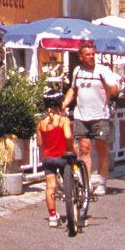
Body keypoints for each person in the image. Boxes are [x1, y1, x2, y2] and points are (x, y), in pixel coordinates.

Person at [61, 41, 119, 196]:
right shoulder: (77, 71)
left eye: (93, 54)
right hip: (82, 116)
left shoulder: (103, 70)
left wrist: (112, 88)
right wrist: (64, 104)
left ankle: (102, 182)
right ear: (80, 57)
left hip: (100, 116)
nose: (91, 57)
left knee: (102, 150)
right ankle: (86, 183)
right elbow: (73, 90)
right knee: (84, 149)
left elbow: (115, 89)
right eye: (88, 54)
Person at [38, 89, 73, 227]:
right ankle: (72, 202)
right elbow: (68, 136)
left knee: (50, 187)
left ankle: (52, 216)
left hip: (48, 158)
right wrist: (71, 149)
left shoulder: (41, 123)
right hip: (62, 157)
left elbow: (40, 143)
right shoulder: (63, 120)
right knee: (69, 183)